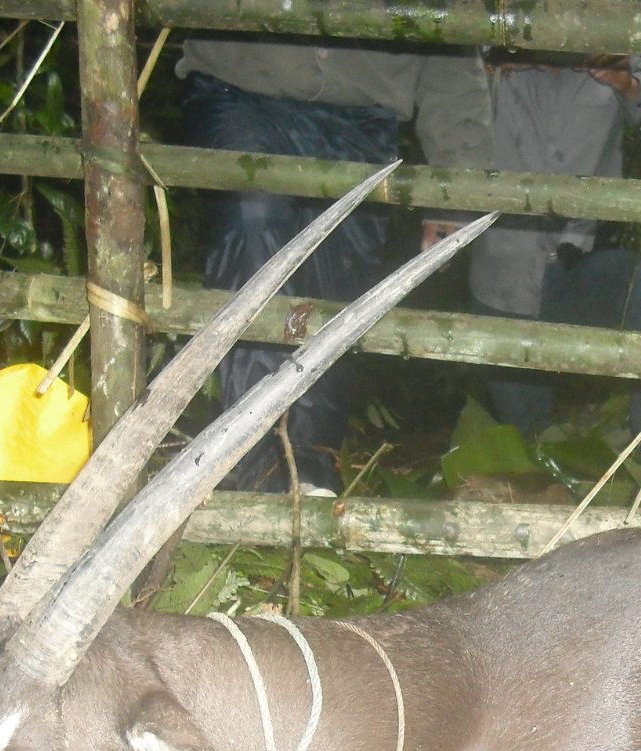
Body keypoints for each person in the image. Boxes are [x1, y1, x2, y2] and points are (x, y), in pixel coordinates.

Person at [177, 36, 491, 494]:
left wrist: (454, 190)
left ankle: (306, 473)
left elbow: (452, 47)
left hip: (363, 114)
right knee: (254, 230)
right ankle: (252, 471)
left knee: (335, 291)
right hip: (240, 87)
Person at [468, 51, 641, 465]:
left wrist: (628, 84)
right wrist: (488, 64)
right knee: (530, 447)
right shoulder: (497, 40)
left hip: (581, 265)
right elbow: (444, 109)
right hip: (504, 277)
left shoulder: (611, 45)